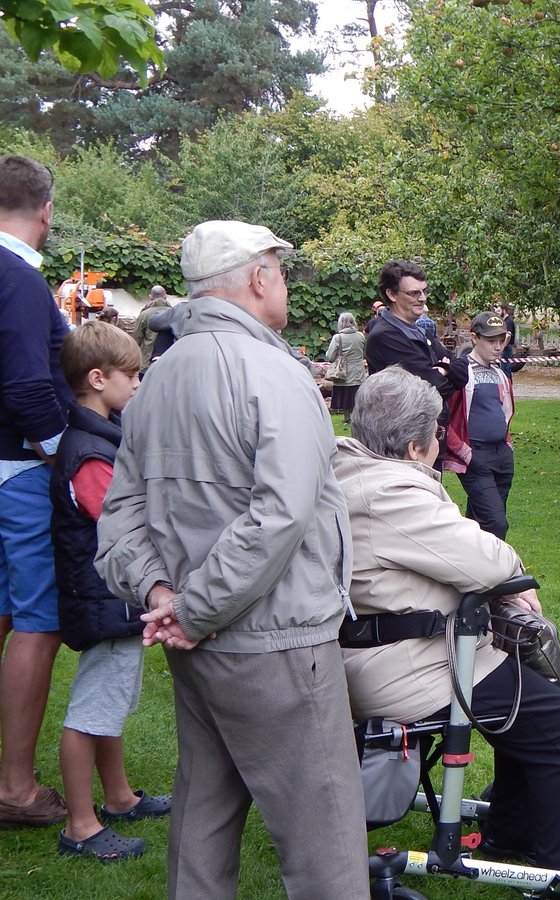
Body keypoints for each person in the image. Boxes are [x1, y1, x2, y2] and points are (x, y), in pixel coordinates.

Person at [96, 220, 367, 898]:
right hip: (276, 641)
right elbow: (282, 514)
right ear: (258, 276)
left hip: (201, 642)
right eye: (277, 265)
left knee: (205, 820)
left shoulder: (156, 378)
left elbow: (120, 511)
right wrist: (190, 607)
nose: (281, 279)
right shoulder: (274, 371)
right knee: (325, 842)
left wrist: (161, 594)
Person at [335, 367, 560, 871]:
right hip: (410, 669)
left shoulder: (348, 473)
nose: (442, 439)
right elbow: (490, 559)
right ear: (415, 446)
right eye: (437, 431)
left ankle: (510, 827)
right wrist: (510, 581)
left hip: (375, 654)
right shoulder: (392, 494)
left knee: (532, 702)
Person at [51, 321, 171, 862]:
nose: (138, 384)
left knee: (112, 702)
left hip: (111, 601)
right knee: (92, 711)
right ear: (98, 379)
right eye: (132, 376)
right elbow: (117, 520)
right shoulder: (90, 452)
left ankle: (119, 797)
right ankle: (80, 824)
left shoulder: (97, 435)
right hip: (104, 598)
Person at [0, 154, 71, 828]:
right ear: (45, 211)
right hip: (20, 472)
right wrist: (63, 457)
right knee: (36, 621)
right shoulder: (18, 276)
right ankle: (15, 789)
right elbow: (25, 383)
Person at [364, 260, 466, 461]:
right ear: (391, 295)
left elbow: (463, 370)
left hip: (427, 440)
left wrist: (442, 369)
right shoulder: (385, 337)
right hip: (400, 447)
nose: (423, 299)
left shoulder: (418, 332)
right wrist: (446, 371)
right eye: (413, 293)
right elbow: (436, 388)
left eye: (424, 291)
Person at [445, 311, 517, 539]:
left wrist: (507, 445)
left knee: (480, 523)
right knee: (497, 524)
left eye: (501, 341)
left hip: (501, 456)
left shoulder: (499, 373)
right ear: (475, 338)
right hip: (475, 455)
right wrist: (465, 453)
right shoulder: (460, 371)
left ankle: (472, 569)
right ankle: (499, 571)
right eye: (491, 341)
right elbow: (442, 417)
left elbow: (504, 411)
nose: (497, 347)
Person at [325, 311, 366, 421]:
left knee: (344, 395)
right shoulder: (361, 336)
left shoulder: (338, 338)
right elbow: (364, 352)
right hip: (358, 371)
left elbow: (330, 356)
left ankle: (346, 418)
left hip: (343, 372)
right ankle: (357, 418)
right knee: (355, 395)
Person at [131, 285, 170, 371]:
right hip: (170, 362)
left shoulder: (144, 315)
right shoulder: (174, 313)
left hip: (147, 364)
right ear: (166, 296)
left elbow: (136, 340)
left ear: (150, 297)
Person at [498, 302, 524, 379]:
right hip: (506, 348)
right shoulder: (505, 320)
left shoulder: (508, 321)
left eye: (499, 311)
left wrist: (503, 345)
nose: (497, 313)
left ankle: (507, 387)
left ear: (504, 311)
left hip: (506, 348)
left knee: (505, 369)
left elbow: (508, 335)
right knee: (505, 368)